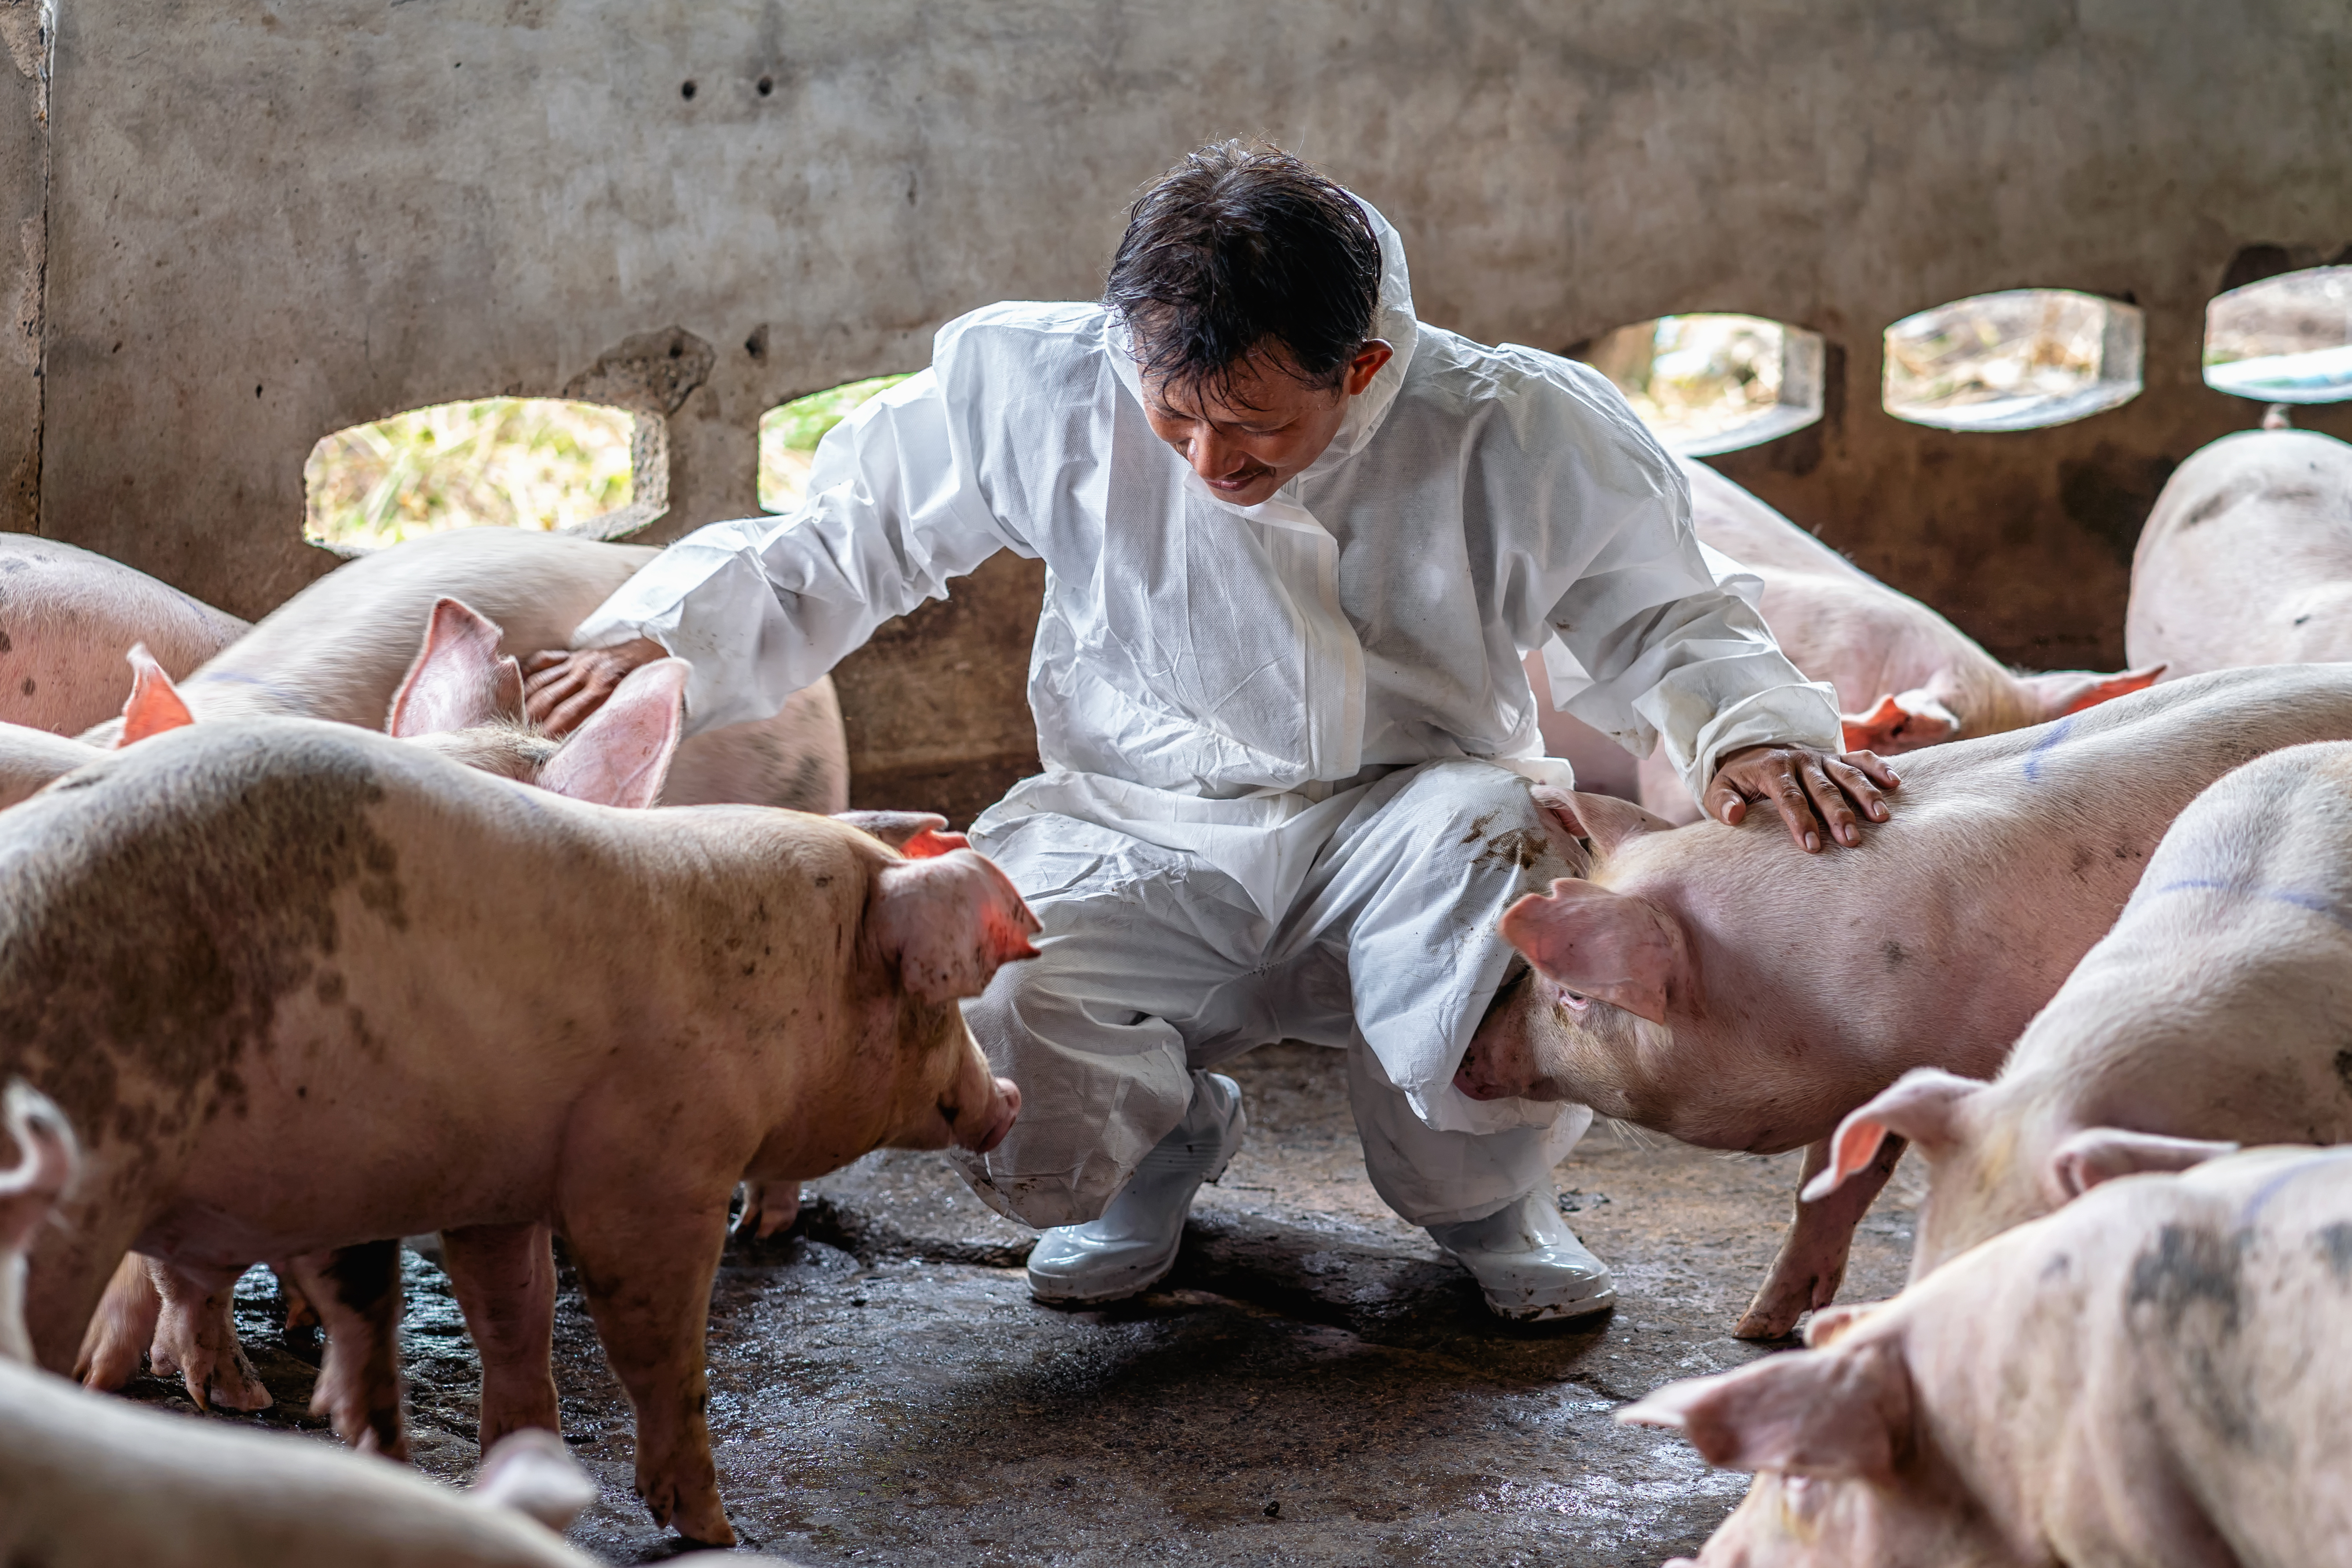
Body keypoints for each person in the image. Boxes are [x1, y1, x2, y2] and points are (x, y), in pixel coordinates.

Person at [526, 141, 1895, 1321]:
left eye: (1252, 428)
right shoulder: (1035, 381)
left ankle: (1485, 1206)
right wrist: (670, 639)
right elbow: (848, 537)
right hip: (1134, 811)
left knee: (1509, 900)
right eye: (1170, 415)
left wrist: (1748, 733)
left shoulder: (1512, 428)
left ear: (1360, 368)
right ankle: (1153, 1157)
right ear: (1126, 344)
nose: (1205, 463)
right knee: (998, 986)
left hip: (1409, 807)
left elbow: (1666, 616)